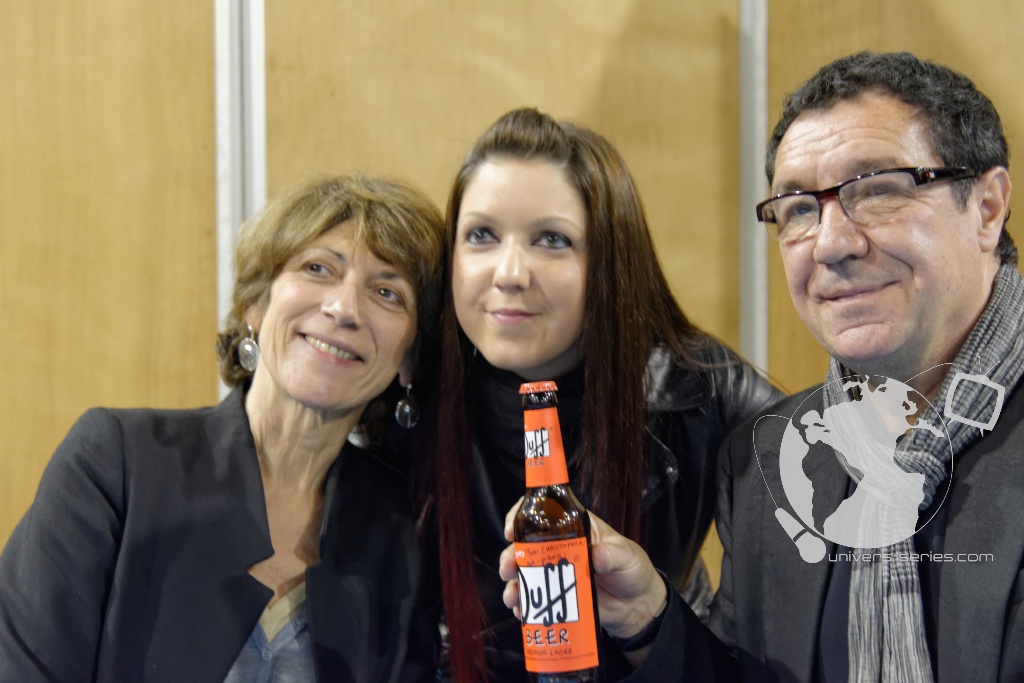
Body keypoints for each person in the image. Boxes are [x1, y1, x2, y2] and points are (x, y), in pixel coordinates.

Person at [499, 51, 1024, 682]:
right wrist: (646, 617)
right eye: (799, 208)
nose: (832, 244)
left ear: (987, 208)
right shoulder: (765, 461)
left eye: (878, 190)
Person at [0, 174, 445, 681]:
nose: (344, 308)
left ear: (409, 358)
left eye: (387, 292)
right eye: (318, 268)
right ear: (256, 304)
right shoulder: (116, 465)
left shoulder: (406, 535)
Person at [409, 107, 780, 682]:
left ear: (609, 261)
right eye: (481, 235)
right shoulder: (409, 393)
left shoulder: (703, 393)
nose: (509, 273)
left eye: (551, 240)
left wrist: (650, 624)